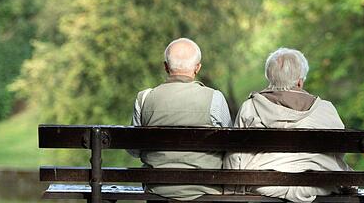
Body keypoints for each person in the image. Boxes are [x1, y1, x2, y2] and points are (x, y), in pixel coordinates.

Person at [224, 47, 351, 203]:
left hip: (265, 183)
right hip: (318, 184)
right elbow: (339, 152)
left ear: (270, 78)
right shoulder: (326, 109)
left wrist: (232, 190)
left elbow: (236, 155)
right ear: (300, 81)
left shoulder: (250, 107)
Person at [128, 37, 232, 200]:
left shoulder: (144, 98)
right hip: (206, 191)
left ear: (166, 67)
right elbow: (228, 145)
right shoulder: (214, 98)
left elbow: (134, 150)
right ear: (197, 68)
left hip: (157, 191)